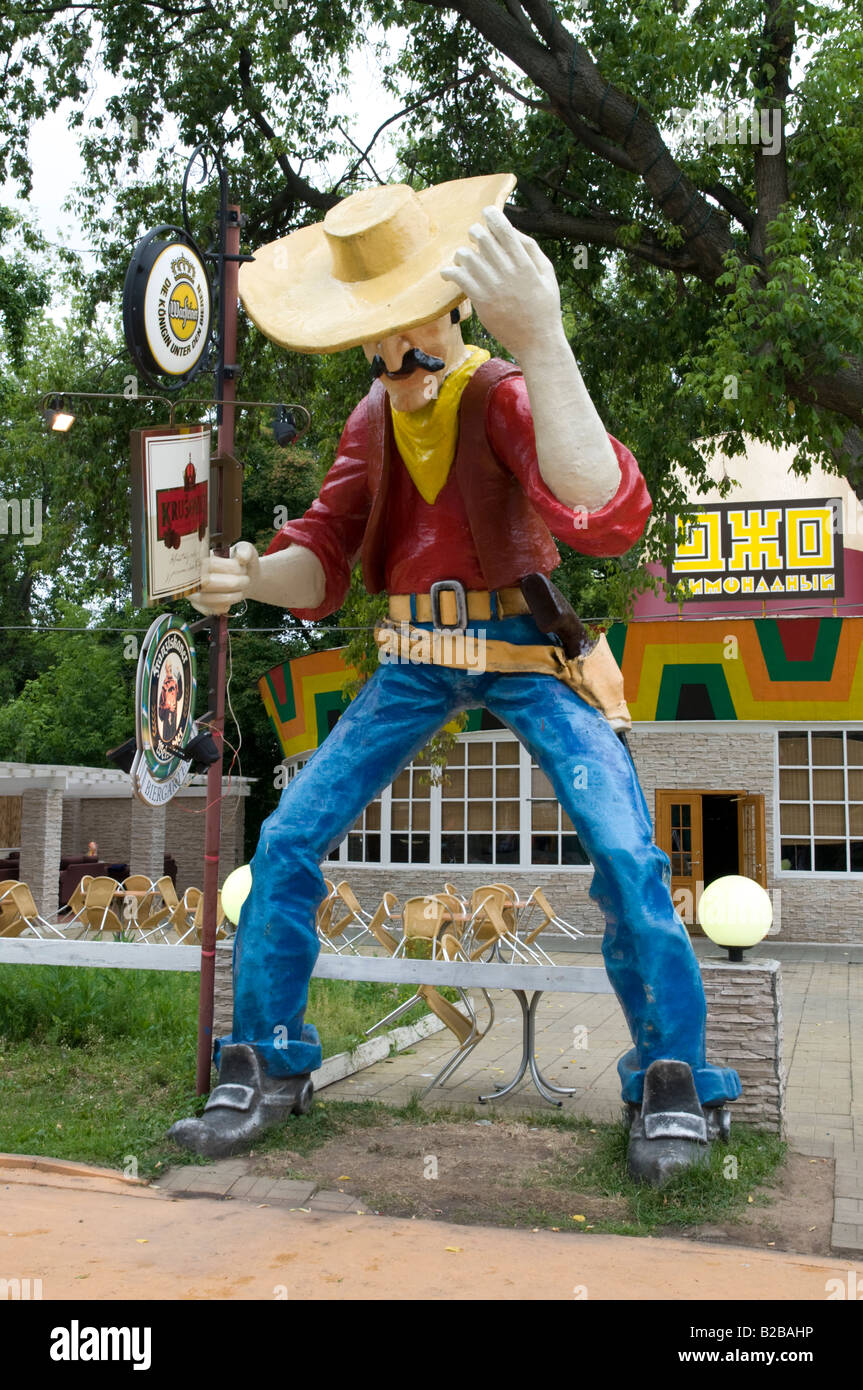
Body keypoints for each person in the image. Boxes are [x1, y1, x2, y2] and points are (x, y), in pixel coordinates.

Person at [170, 175, 741, 1179]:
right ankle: (263, 1058)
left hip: (528, 653)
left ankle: (672, 1076)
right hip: (411, 661)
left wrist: (546, 339)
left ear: (454, 303)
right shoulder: (370, 419)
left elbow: (602, 508)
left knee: (625, 853)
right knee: (289, 836)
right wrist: (257, 572)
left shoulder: (504, 395)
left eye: (411, 329)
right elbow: (324, 551)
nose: (397, 356)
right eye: (376, 337)